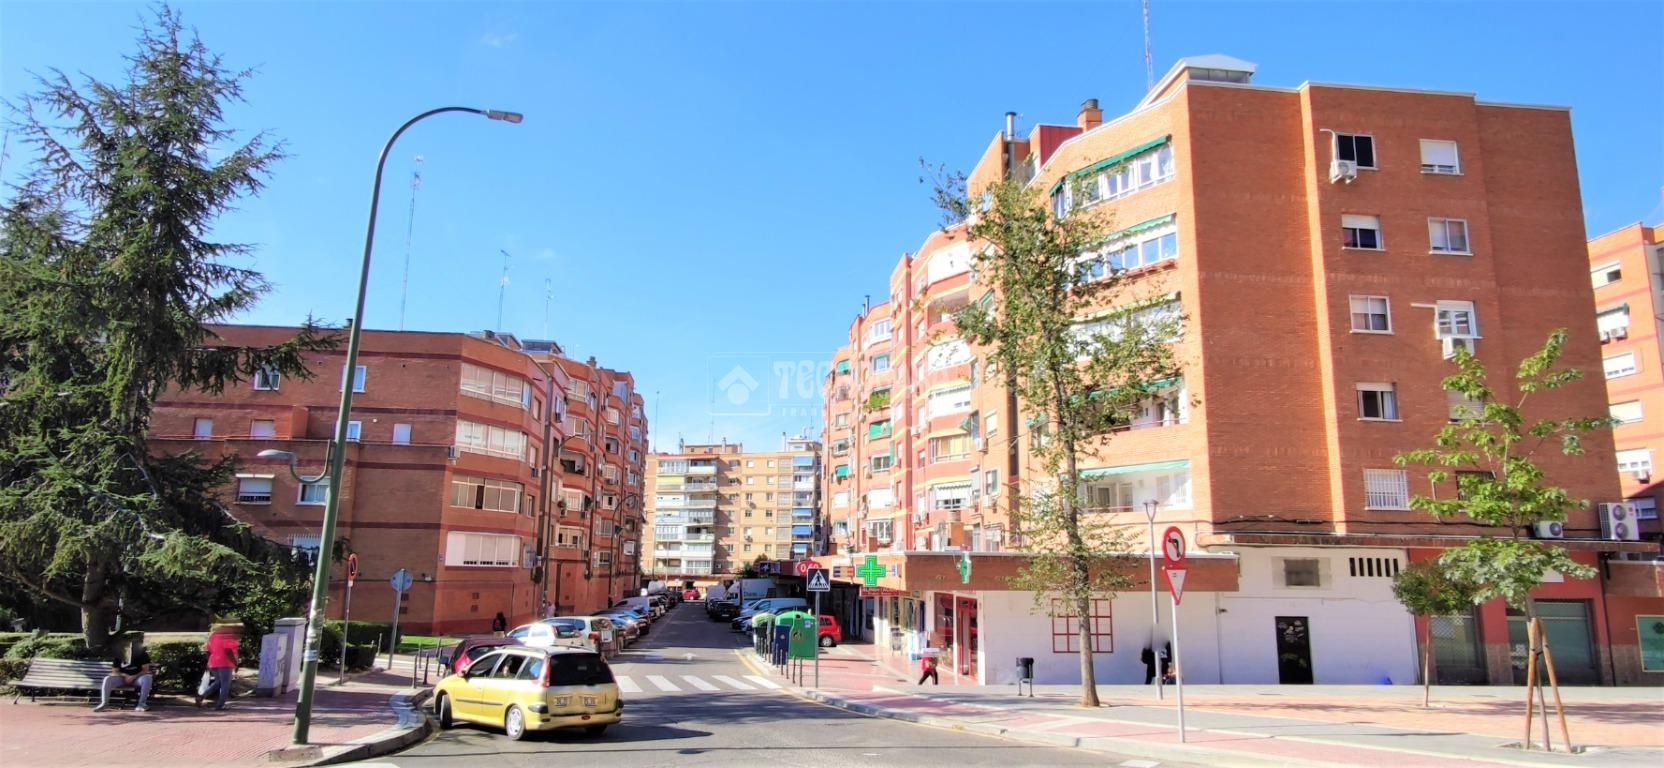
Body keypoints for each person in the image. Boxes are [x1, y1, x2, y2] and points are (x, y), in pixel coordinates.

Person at [93, 644, 153, 712]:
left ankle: (141, 704)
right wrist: (125, 675)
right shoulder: (119, 654)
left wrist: (133, 677)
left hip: (137, 678)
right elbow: (115, 671)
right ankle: (104, 703)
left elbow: (145, 670)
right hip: (123, 678)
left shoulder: (142, 654)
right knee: (107, 679)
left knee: (148, 678)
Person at [201, 623, 241, 710]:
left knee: (218, 682)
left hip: (213, 662)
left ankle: (202, 696)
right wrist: (235, 663)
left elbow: (207, 650)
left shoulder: (212, 636)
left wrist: (210, 660)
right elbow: (228, 651)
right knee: (225, 685)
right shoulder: (227, 637)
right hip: (225, 663)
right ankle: (220, 705)